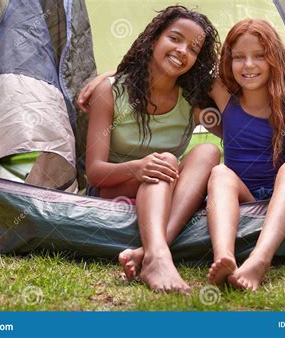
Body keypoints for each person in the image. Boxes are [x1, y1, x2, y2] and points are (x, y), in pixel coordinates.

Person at [77, 6, 221, 293]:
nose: (182, 51)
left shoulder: (190, 100)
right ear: (154, 39)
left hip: (163, 185)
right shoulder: (111, 91)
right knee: (165, 162)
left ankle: (152, 252)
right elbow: (94, 173)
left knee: (208, 153)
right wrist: (138, 167)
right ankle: (158, 256)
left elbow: (238, 133)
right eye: (175, 39)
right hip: (112, 186)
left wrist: (216, 83)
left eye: (193, 50)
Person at [206, 18, 285, 291]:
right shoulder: (223, 93)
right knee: (219, 172)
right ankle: (224, 257)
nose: (248, 65)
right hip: (242, 195)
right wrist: (104, 77)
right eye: (239, 57)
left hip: (277, 197)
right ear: (228, 61)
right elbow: (175, 72)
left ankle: (259, 260)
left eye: (259, 56)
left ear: (274, 58)